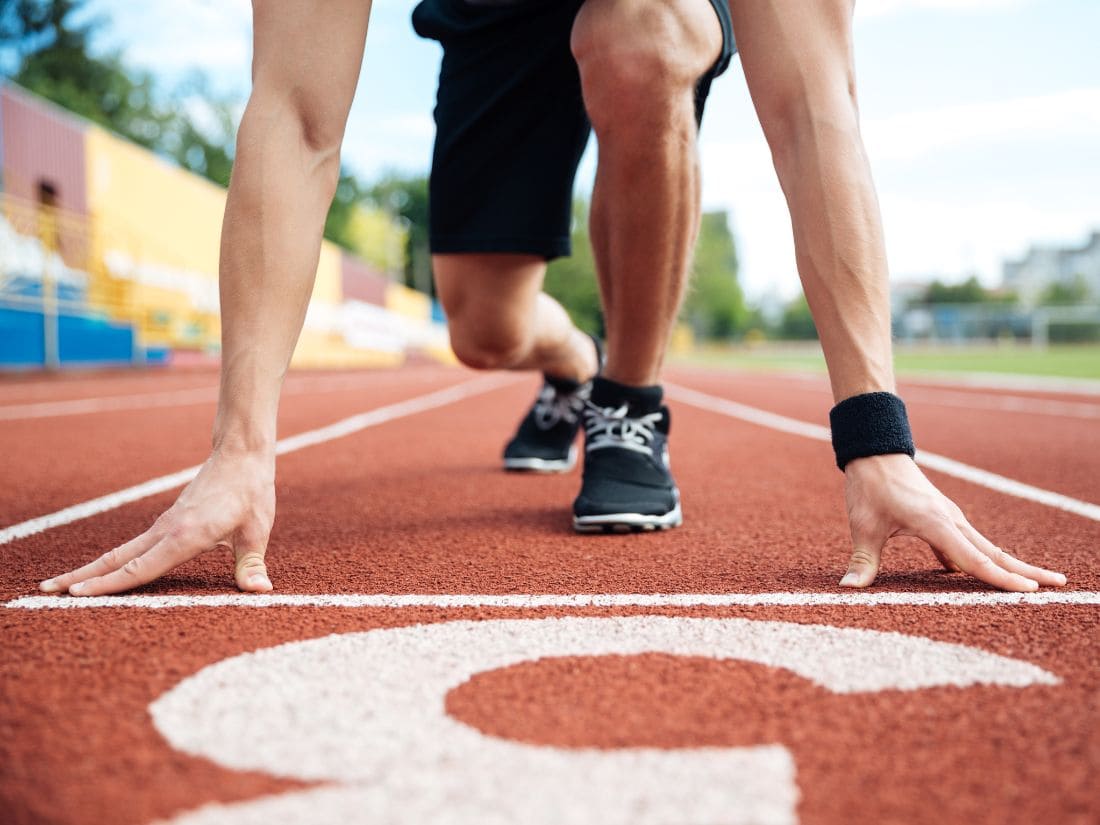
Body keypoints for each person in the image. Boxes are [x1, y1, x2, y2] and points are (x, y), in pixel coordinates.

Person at [38, 0, 1066, 598]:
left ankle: (626, 401)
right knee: (480, 330)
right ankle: (571, 360)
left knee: (644, 36)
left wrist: (874, 438)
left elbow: (812, 109)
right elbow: (295, 114)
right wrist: (240, 449)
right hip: (494, 12)